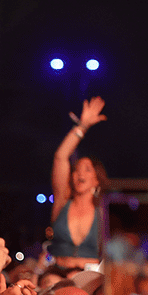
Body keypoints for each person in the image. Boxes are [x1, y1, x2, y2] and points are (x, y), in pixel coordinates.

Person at [50, 97, 109, 268]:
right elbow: (60, 157)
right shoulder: (62, 202)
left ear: (96, 180)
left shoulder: (103, 211)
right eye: (76, 169)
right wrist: (82, 127)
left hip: (91, 278)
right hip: (58, 276)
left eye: (87, 170)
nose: (80, 173)